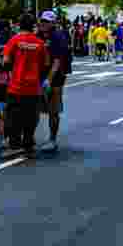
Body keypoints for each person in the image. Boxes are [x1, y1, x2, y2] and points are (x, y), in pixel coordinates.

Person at [1, 13, 50, 159]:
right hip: (33, 87)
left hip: (16, 85)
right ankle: (29, 146)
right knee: (30, 117)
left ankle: (14, 146)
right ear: (33, 26)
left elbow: (6, 61)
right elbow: (46, 64)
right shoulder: (40, 43)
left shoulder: (14, 40)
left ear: (19, 25)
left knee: (12, 117)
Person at [38, 11, 70, 153]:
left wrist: (48, 80)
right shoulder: (38, 35)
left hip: (55, 77)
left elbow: (57, 61)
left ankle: (52, 139)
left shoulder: (58, 37)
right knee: (34, 108)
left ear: (53, 23)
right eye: (42, 21)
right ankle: (29, 138)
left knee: (53, 110)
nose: (43, 24)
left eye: (46, 21)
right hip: (39, 75)